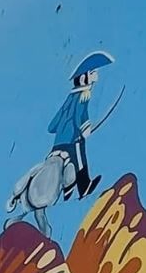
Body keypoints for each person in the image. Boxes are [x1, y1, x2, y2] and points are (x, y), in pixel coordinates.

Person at [48, 51, 113, 200]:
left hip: (57, 143)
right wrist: (85, 128)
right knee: (80, 160)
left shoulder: (69, 97)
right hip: (72, 140)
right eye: (93, 72)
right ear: (86, 76)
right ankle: (84, 187)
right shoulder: (84, 94)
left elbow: (52, 126)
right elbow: (80, 114)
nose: (96, 75)